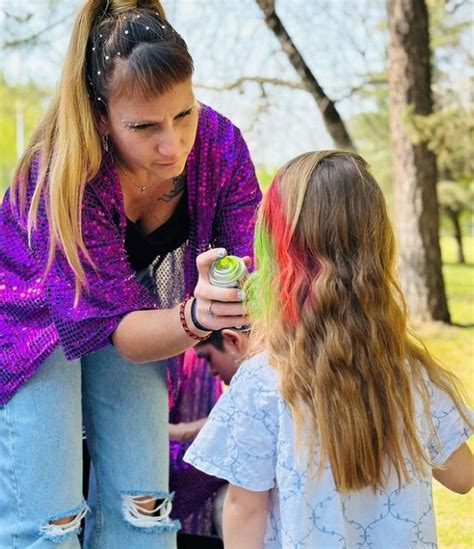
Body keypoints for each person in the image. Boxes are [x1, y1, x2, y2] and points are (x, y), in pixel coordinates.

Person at [0, 0, 261, 547]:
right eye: (144, 127)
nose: (173, 146)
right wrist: (196, 315)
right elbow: (122, 332)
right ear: (101, 117)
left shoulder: (221, 147)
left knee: (144, 506)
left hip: (135, 311)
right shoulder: (63, 172)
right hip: (31, 319)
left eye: (183, 114)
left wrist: (243, 306)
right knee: (50, 523)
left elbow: (255, 279)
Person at [185, 151, 474, 549]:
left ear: (279, 257)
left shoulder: (263, 382)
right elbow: (462, 478)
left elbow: (243, 508)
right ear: (378, 248)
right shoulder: (410, 374)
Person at [169, 330, 250, 536]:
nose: (212, 371)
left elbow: (194, 473)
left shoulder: (255, 392)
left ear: (232, 341)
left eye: (208, 358)